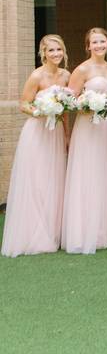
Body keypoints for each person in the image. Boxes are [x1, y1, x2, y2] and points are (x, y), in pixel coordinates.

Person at [1, 35, 70, 257]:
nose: (56, 54)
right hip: (38, 132)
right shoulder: (36, 76)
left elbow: (66, 109)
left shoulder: (66, 75)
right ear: (43, 53)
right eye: (51, 50)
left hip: (56, 132)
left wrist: (67, 134)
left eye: (59, 49)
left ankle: (53, 231)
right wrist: (41, 111)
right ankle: (34, 234)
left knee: (55, 179)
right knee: (38, 180)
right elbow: (24, 104)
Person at [62, 27, 107, 254]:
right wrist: (89, 105)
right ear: (88, 46)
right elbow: (70, 101)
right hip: (88, 127)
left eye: (102, 41)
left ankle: (106, 230)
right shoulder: (81, 69)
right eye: (94, 42)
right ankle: (86, 230)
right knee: (90, 173)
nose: (99, 46)